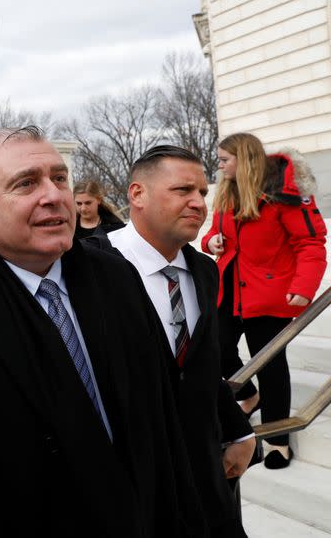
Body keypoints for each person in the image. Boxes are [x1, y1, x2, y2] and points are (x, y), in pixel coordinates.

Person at [0, 127, 207, 537]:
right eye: (26, 183)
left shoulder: (117, 278)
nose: (53, 195)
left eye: (59, 178)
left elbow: (162, 422)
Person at [108, 145, 255, 537]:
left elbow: (201, 366)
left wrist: (239, 429)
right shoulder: (87, 268)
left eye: (203, 193)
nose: (198, 203)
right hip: (131, 486)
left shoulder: (205, 270)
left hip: (204, 480)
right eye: (182, 191)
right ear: (137, 194)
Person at [202, 133, 327, 469]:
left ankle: (277, 440)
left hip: (268, 296)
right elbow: (214, 234)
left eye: (225, 159)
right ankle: (247, 396)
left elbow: (311, 244)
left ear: (244, 159)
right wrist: (212, 241)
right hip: (228, 292)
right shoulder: (227, 192)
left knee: (271, 366)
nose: (220, 165)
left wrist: (304, 286)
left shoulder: (284, 195)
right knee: (216, 349)